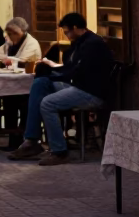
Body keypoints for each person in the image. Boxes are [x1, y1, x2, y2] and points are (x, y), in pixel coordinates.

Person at [9, 12, 114, 166]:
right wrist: (51, 71)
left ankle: (59, 151)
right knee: (40, 83)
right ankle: (31, 141)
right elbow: (71, 68)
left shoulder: (92, 44)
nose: (66, 35)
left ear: (76, 28)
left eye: (67, 32)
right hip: (78, 85)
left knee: (47, 103)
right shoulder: (79, 43)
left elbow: (79, 72)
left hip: (89, 91)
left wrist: (56, 74)